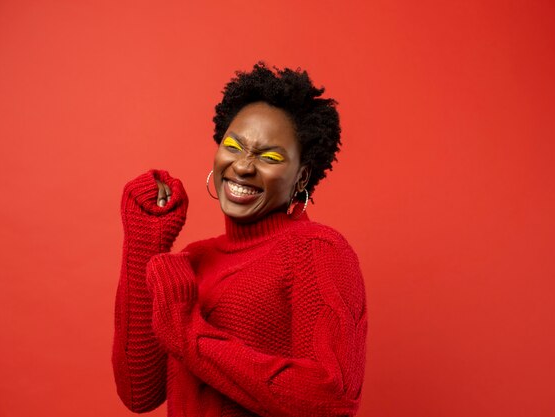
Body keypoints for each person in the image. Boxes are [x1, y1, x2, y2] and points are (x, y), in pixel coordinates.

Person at [112, 63, 367, 417]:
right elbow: (139, 393)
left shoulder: (317, 249)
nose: (244, 166)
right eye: (234, 146)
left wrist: (188, 332)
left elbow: (330, 400)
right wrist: (146, 243)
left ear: (302, 175)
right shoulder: (195, 260)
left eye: (270, 156)